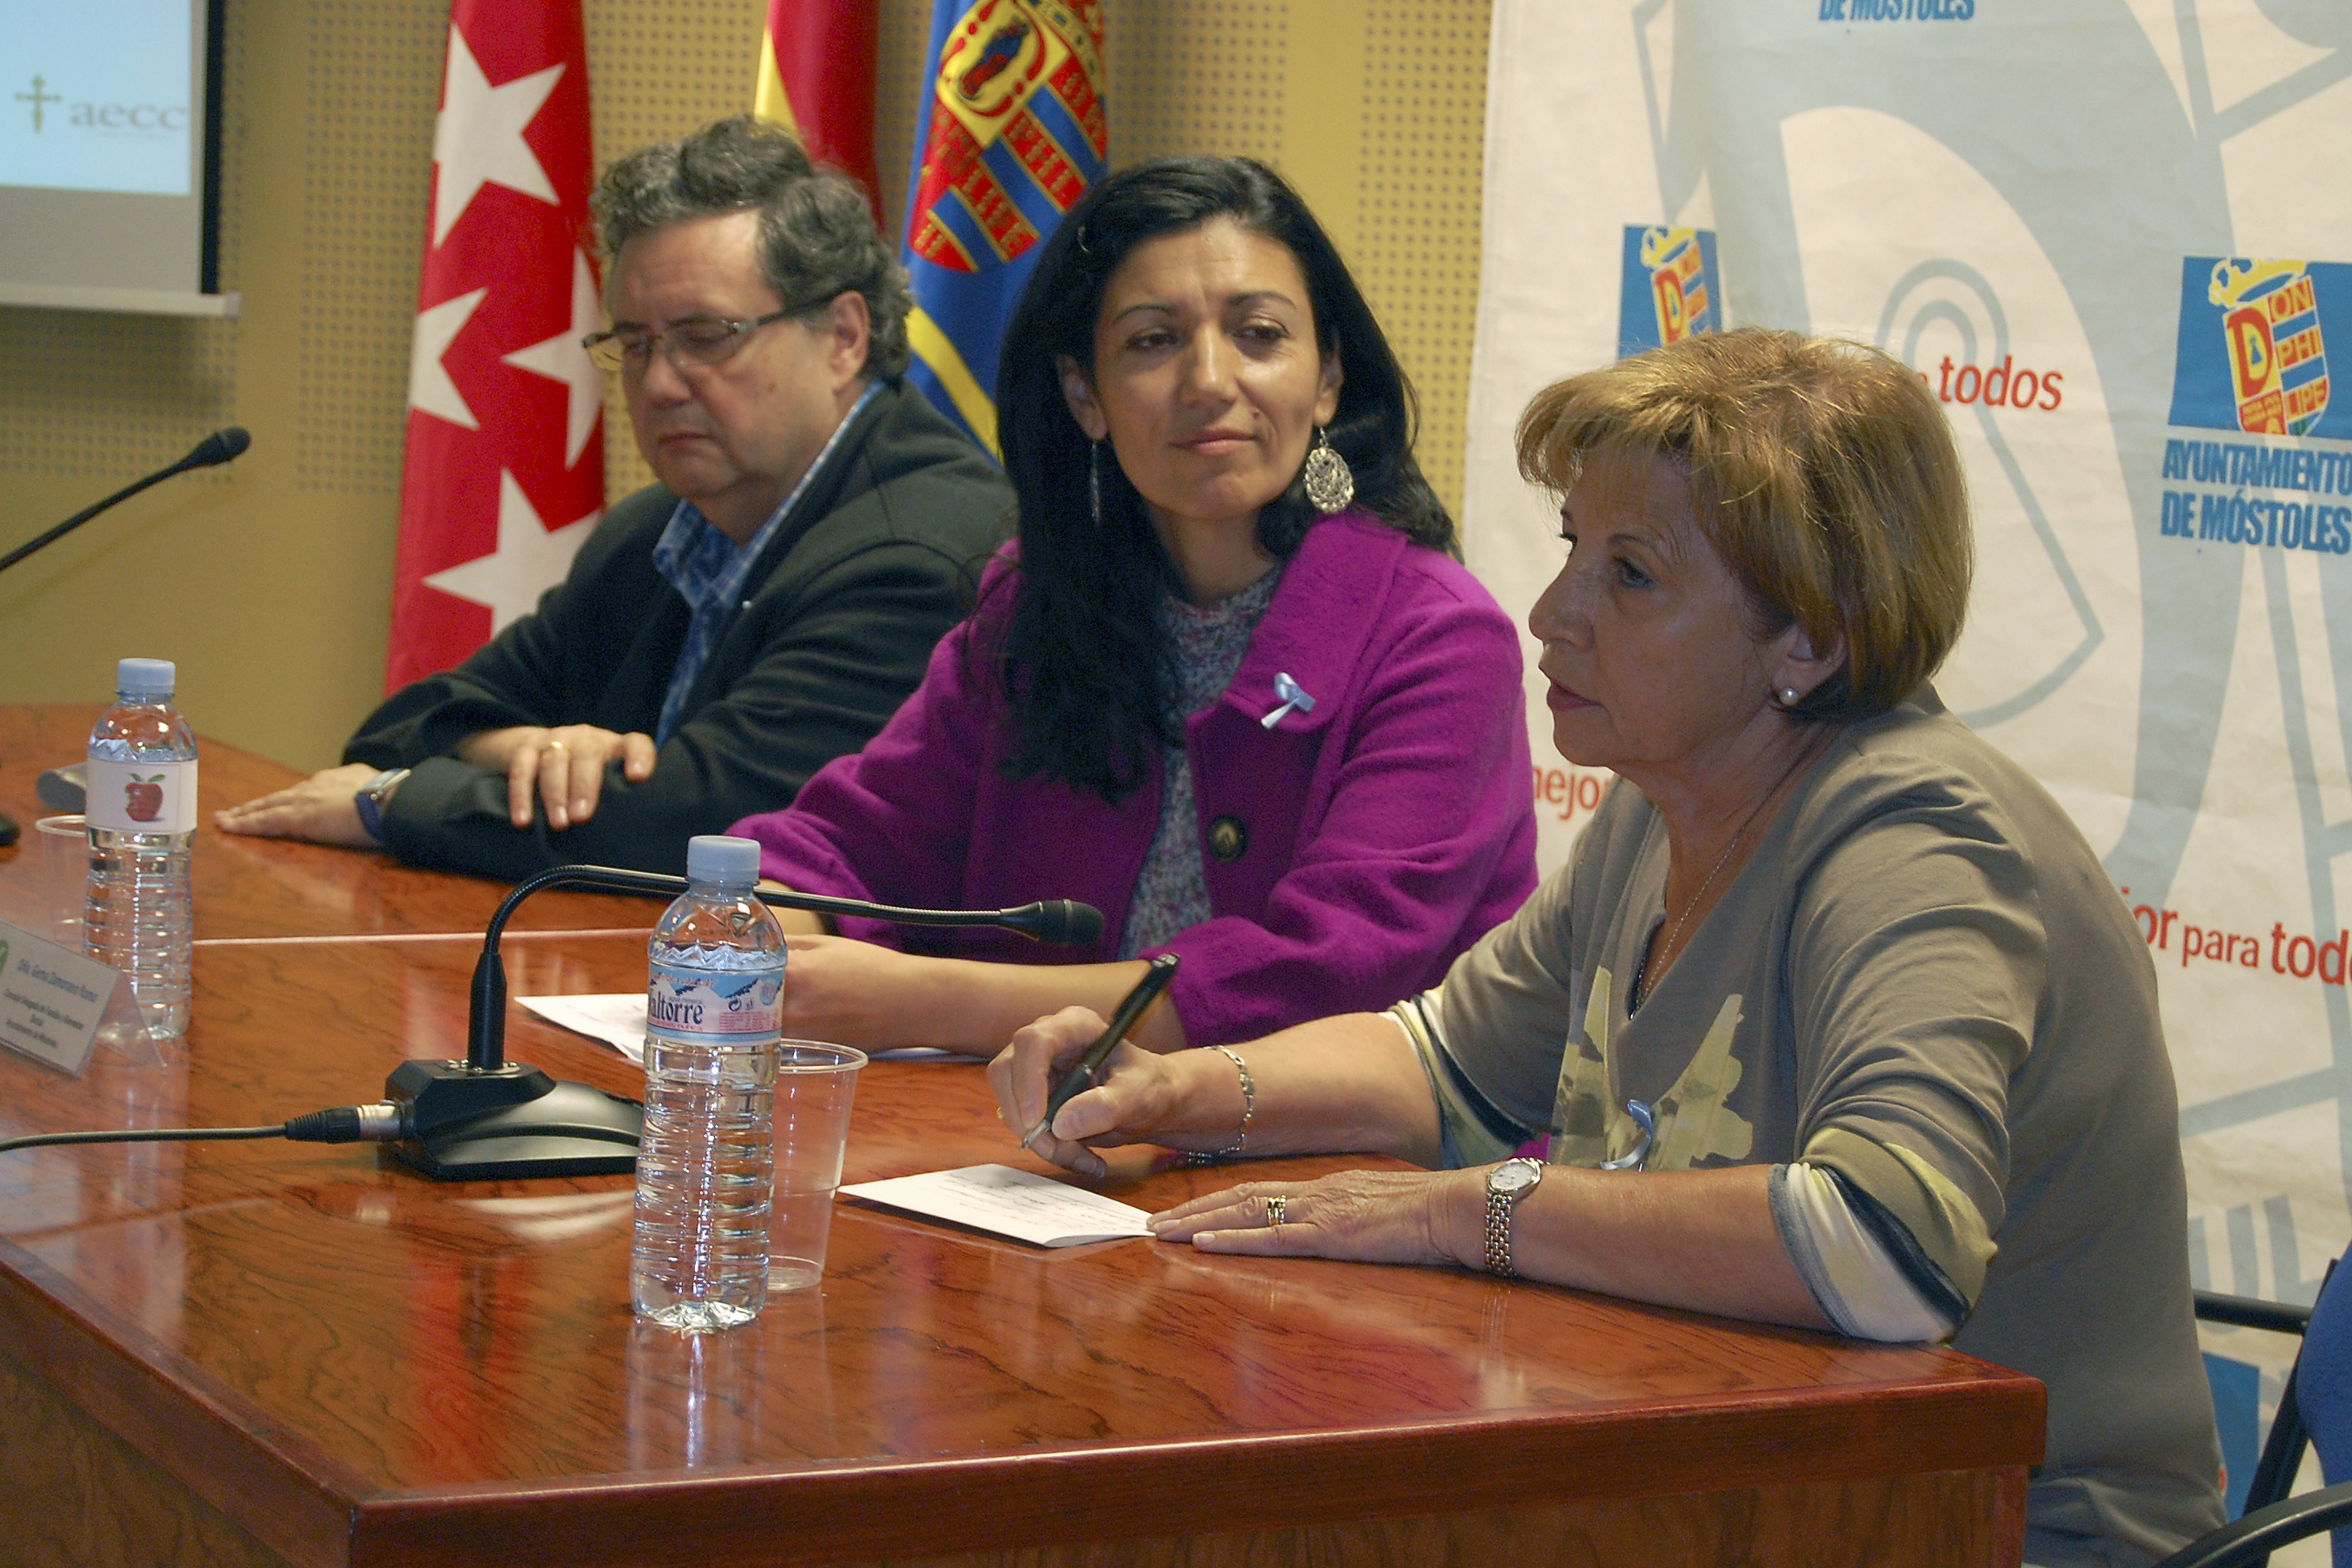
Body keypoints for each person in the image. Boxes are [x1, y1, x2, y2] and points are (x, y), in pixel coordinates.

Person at [992, 329, 2226, 1566]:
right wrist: (1177, 1088)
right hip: (1736, 1490)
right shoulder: (1665, 798)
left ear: (1806, 639)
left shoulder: (1915, 836)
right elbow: (1441, 1064)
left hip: (1998, 1530)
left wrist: (1470, 1212)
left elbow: (1882, 1244)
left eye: (1629, 575)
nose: (1551, 614)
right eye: (1572, 546)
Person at [732, 156, 1536, 1054]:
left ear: (1327, 379)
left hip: (1342, 1141)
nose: (1209, 381)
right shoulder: (1034, 605)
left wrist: (920, 1002)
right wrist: (763, 929)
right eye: (1153, 341)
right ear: (1086, 395)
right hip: (1026, 1135)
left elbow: (1323, 979)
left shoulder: (1439, 640)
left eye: (1259, 334)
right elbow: (844, 847)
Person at [216, 117, 1010, 879]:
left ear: (842, 338)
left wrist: (389, 803)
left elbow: (702, 827)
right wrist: (525, 750)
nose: (659, 384)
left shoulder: (920, 558)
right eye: (634, 345)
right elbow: (402, 726)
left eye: (705, 338)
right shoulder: (655, 534)